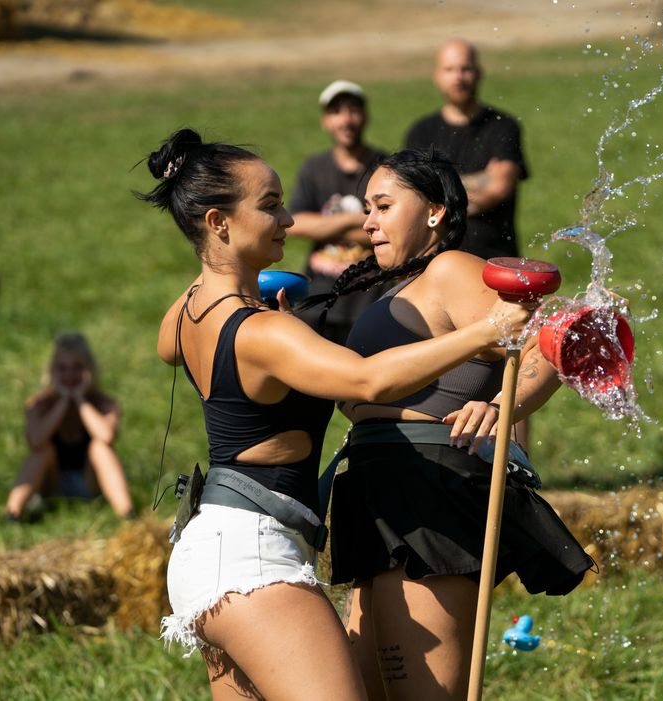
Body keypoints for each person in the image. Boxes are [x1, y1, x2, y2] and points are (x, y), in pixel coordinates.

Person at [140, 129, 534, 700]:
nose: (289, 222)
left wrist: (236, 283)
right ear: (217, 222)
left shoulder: (190, 314)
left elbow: (167, 346)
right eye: (270, 206)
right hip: (252, 557)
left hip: (212, 552)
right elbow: (370, 380)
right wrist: (487, 331)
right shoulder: (262, 331)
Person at [307, 149, 594, 700]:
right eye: (367, 208)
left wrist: (505, 406)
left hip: (425, 486)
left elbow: (552, 339)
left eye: (384, 206)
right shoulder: (398, 286)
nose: (367, 222)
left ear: (435, 212)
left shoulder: (449, 269)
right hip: (379, 486)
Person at [404, 39, 529, 260]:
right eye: (450, 69)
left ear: (478, 73)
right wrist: (483, 178)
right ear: (437, 76)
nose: (458, 77)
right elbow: (415, 199)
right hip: (437, 260)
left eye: (465, 69)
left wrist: (439, 192)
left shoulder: (502, 126)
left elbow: (499, 187)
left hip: (495, 260)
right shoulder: (420, 133)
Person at [289, 80, 387, 343]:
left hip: (371, 300)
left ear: (365, 116)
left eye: (353, 110)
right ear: (326, 121)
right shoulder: (314, 168)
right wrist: (355, 220)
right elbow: (295, 223)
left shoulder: (385, 168)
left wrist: (325, 226)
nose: (346, 120)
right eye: (337, 112)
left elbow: (396, 232)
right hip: (318, 298)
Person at [5, 332, 133, 520]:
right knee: (42, 450)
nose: (70, 375)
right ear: (52, 372)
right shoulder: (39, 404)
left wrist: (80, 400)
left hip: (90, 482)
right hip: (52, 482)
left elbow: (106, 436)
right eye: (62, 368)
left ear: (90, 370)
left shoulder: (104, 403)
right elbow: (35, 441)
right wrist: (64, 400)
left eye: (77, 368)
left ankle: (127, 514)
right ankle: (12, 513)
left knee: (100, 448)